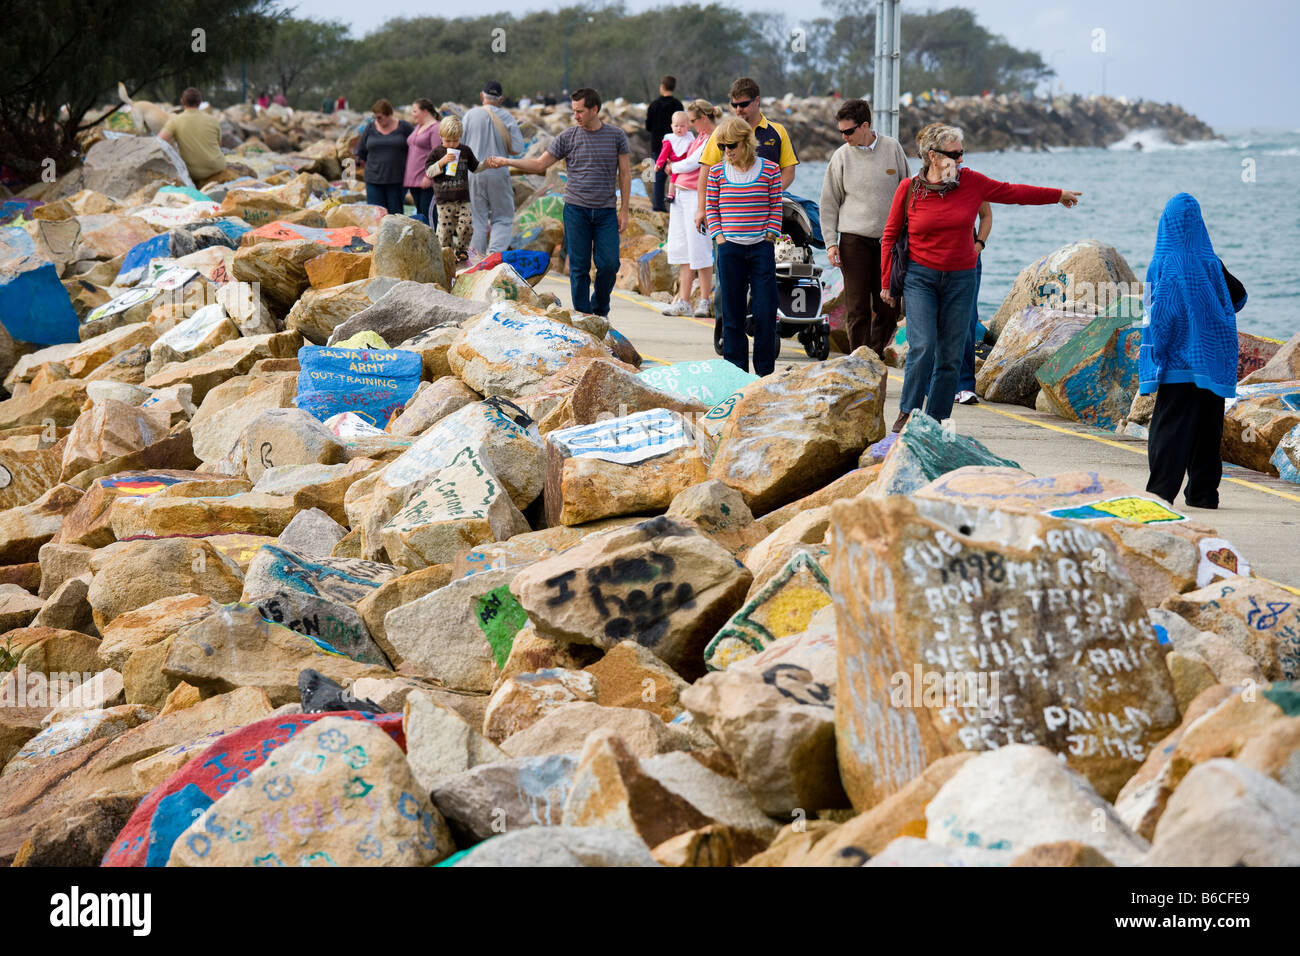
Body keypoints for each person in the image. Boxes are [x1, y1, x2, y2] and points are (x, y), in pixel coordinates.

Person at [880, 123, 1081, 431]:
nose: (960, 160)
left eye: (962, 153)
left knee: (949, 355)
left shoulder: (971, 182)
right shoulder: (909, 189)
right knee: (922, 348)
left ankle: (935, 420)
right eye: (954, 154)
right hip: (920, 279)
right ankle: (907, 413)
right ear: (933, 156)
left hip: (961, 280)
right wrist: (886, 283)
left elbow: (1012, 192)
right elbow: (890, 236)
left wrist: (1057, 195)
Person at [1140, 193, 1245, 510]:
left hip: (1177, 361)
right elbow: (1238, 298)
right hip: (1212, 360)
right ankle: (1203, 494)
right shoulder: (1212, 262)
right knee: (1207, 431)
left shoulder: (1161, 264)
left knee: (1169, 428)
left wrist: (1154, 358)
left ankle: (1160, 492)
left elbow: (1154, 314)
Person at [485, 87, 630, 318]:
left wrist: (624, 210)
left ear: (595, 109)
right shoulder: (567, 137)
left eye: (580, 111)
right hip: (576, 211)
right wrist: (506, 162)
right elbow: (540, 165)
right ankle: (584, 315)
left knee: (610, 264)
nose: (576, 116)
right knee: (579, 267)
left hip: (605, 213)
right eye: (573, 111)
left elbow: (624, 173)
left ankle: (600, 310)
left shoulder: (616, 136)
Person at [694, 78, 799, 318]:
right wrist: (701, 209)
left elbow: (789, 169)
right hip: (728, 222)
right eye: (734, 105)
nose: (738, 109)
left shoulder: (777, 132)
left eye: (743, 104)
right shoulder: (722, 133)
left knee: (764, 281)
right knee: (725, 283)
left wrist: (768, 195)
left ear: (757, 101)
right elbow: (706, 171)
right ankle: (724, 330)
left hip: (762, 223)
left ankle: (765, 326)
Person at [819, 97, 908, 360]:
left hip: (889, 243)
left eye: (848, 131)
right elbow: (828, 202)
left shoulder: (892, 149)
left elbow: (908, 193)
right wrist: (830, 243)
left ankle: (876, 358)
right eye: (841, 132)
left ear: (865, 125)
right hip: (853, 241)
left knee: (889, 307)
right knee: (856, 307)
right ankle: (858, 362)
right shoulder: (841, 157)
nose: (844, 137)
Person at [705, 117, 783, 376]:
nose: (727, 149)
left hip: (761, 248)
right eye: (723, 145)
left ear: (747, 142)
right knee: (732, 313)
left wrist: (770, 235)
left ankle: (764, 373)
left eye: (732, 144)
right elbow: (712, 208)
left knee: (765, 311)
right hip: (729, 250)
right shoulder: (717, 172)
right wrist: (719, 237)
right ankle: (735, 373)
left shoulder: (770, 170)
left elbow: (776, 205)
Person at [661, 100, 719, 317]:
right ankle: (684, 299)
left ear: (704, 117)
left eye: (693, 121)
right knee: (683, 247)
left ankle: (704, 299)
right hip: (681, 195)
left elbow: (695, 162)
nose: (691, 125)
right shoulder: (700, 137)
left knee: (699, 246)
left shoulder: (713, 137)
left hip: (696, 195)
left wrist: (672, 167)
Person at [462, 81, 524, 256]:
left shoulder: (470, 115)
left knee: (477, 218)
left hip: (473, 172)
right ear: (501, 99)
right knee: (503, 217)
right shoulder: (507, 117)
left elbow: (458, 145)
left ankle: (476, 259)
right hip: (499, 171)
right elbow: (518, 148)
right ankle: (495, 256)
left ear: (482, 96)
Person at [426, 115, 481, 261]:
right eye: (447, 141)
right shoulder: (437, 152)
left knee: (467, 225)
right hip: (444, 200)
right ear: (440, 136)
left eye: (455, 141)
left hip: (462, 198)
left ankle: (462, 250)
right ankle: (446, 254)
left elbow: (475, 167)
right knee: (445, 230)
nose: (451, 144)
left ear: (460, 137)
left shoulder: (465, 151)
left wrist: (488, 163)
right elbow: (429, 172)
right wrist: (442, 162)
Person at [953, 201, 992, 405]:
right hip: (931, 261)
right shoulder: (917, 183)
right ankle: (932, 383)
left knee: (967, 320)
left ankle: (965, 386)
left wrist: (979, 244)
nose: (955, 166)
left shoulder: (972, 181)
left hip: (968, 257)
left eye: (959, 164)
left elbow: (986, 214)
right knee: (934, 324)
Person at [355, 99, 413, 215]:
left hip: (397, 180)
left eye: (380, 117)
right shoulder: (370, 128)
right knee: (376, 215)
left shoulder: (404, 127)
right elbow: (361, 150)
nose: (377, 120)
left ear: (389, 114)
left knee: (395, 215)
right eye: (375, 117)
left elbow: (416, 147)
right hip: (373, 180)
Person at [159, 87, 226, 185]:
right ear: (200, 102)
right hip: (216, 167)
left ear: (182, 101)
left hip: (194, 172)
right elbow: (219, 145)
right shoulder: (213, 120)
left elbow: (159, 141)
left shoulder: (175, 121)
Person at [646, 75, 684, 213]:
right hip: (677, 146)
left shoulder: (654, 105)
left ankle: (658, 207)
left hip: (658, 145)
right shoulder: (677, 105)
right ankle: (678, 204)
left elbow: (648, 126)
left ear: (662, 87)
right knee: (679, 175)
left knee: (659, 176)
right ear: (673, 88)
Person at [404, 98, 442, 224]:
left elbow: (438, 154)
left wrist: (429, 176)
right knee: (420, 215)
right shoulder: (418, 127)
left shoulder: (435, 128)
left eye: (415, 111)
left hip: (427, 180)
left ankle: (435, 242)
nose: (412, 114)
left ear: (425, 111)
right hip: (414, 181)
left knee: (429, 215)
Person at [655, 112, 694, 206]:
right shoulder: (670, 139)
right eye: (676, 126)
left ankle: (679, 195)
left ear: (688, 127)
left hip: (687, 165)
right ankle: (671, 195)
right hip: (675, 164)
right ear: (671, 126)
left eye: (682, 126)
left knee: (683, 181)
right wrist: (659, 164)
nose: (679, 128)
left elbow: (693, 152)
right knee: (673, 180)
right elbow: (663, 154)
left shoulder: (690, 138)